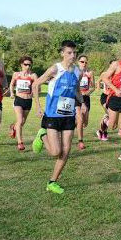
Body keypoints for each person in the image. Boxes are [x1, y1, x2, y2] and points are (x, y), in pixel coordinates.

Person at [31, 40, 85, 194]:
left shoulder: (77, 72)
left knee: (66, 151)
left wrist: (83, 104)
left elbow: (76, 90)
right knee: (56, 152)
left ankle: (52, 182)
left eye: (74, 53)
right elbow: (36, 84)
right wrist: (38, 106)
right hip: (52, 115)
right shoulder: (55, 69)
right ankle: (42, 136)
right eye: (69, 53)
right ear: (62, 53)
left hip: (68, 115)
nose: (72, 55)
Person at [8, 56, 38, 151]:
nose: (28, 66)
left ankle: (14, 126)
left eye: (29, 64)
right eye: (25, 64)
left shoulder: (33, 76)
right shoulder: (16, 74)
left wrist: (35, 92)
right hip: (18, 100)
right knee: (20, 120)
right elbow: (12, 84)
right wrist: (12, 93)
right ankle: (20, 143)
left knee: (22, 122)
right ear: (21, 64)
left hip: (28, 101)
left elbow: (38, 87)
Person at [75, 55, 94, 150]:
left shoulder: (90, 73)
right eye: (82, 62)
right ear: (78, 62)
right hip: (76, 98)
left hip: (86, 98)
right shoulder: (74, 72)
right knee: (80, 119)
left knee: (84, 123)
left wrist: (88, 92)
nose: (84, 64)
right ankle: (80, 141)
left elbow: (93, 87)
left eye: (86, 62)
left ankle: (73, 124)